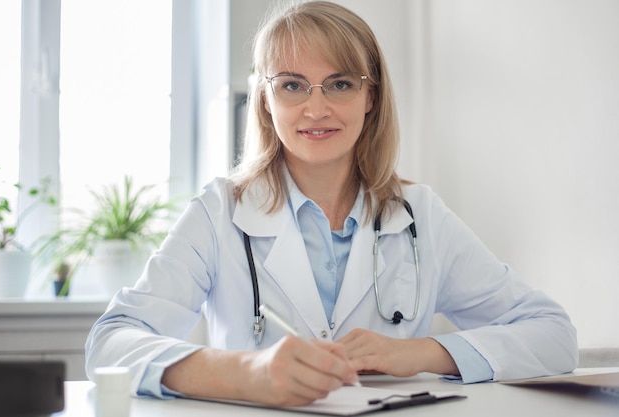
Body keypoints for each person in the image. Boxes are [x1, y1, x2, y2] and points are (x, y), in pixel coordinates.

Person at [85, 0, 578, 407]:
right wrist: (244, 372)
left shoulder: (420, 216)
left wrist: (424, 353)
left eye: (340, 84)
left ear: (370, 97)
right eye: (292, 85)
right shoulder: (219, 212)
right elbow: (111, 342)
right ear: (265, 100)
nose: (316, 108)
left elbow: (554, 336)